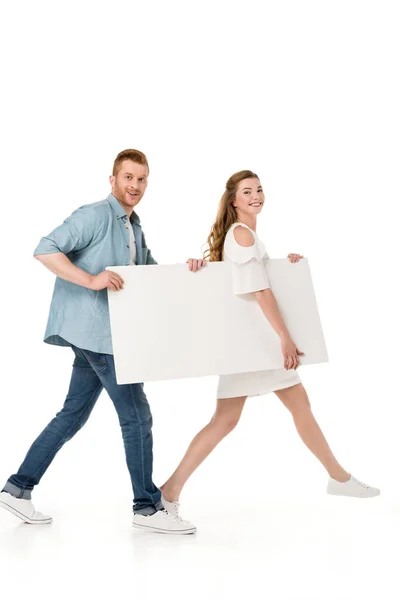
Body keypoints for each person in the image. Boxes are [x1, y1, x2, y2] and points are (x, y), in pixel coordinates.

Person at [0, 149, 205, 535]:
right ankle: (145, 508)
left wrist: (191, 269)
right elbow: (45, 248)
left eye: (141, 179)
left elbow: (150, 275)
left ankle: (17, 488)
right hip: (97, 335)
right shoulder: (94, 215)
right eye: (128, 177)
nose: (135, 186)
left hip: (103, 335)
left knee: (72, 415)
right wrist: (92, 280)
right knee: (136, 415)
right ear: (112, 180)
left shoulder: (133, 225)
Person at [160, 169, 380, 518]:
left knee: (253, 415)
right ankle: (168, 492)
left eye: (259, 190)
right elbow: (259, 290)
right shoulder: (242, 235)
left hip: (252, 348)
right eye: (247, 192)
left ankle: (338, 477)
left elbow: (259, 279)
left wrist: (286, 268)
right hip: (257, 349)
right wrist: (285, 337)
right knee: (235, 419)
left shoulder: (243, 235)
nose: (255, 196)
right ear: (234, 201)